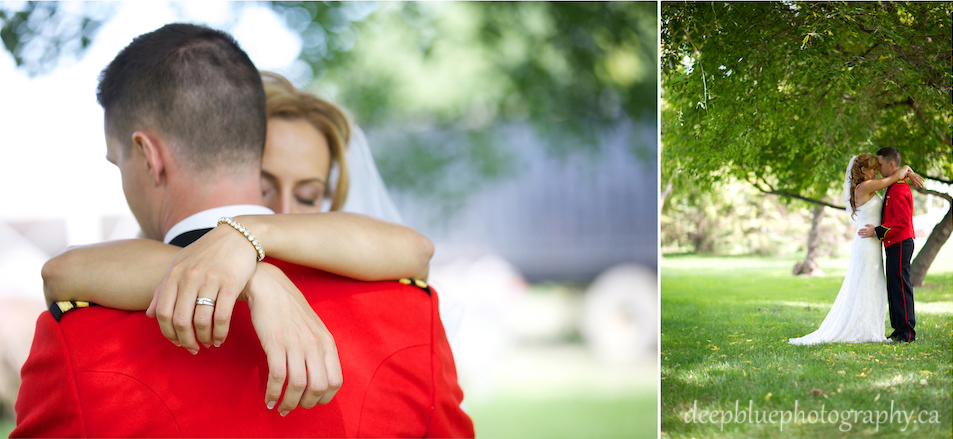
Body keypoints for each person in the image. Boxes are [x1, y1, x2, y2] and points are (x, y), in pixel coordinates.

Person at [13, 23, 473, 437]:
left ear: (148, 156)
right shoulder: (409, 314)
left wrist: (247, 249)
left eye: (119, 164)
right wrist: (257, 274)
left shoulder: (81, 336)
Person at [789, 153, 922, 345]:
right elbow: (894, 177)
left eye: (878, 167)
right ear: (863, 171)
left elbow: (894, 178)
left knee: (871, 284)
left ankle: (873, 328)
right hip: (868, 241)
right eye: (873, 168)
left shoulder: (868, 186)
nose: (876, 171)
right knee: (866, 283)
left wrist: (906, 170)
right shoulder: (866, 186)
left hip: (873, 240)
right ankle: (865, 329)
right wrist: (907, 169)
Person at [858, 147, 918, 343]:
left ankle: (907, 333)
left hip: (900, 242)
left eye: (881, 164)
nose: (878, 168)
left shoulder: (899, 187)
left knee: (900, 287)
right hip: (894, 242)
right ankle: (899, 329)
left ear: (891, 165)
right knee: (894, 288)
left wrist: (876, 231)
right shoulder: (892, 185)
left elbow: (901, 221)